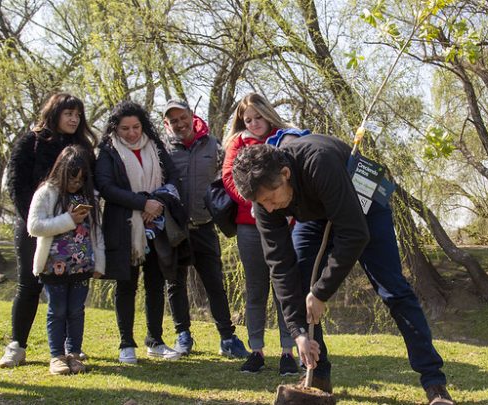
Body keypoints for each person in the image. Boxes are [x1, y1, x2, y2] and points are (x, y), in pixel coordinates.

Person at [231, 135, 455, 405]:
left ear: (285, 173)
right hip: (316, 218)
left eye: (270, 198)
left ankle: (435, 384)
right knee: (301, 278)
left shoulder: (318, 161)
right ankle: (318, 376)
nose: (269, 207)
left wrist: (321, 292)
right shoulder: (264, 201)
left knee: (395, 291)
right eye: (261, 203)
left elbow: (354, 234)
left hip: (364, 209)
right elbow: (279, 266)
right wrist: (298, 331)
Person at [0, 93, 97, 368]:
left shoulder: (84, 147)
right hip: (37, 227)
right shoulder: (31, 142)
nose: (74, 119)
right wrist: (36, 218)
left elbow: (91, 185)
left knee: (70, 293)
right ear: (54, 113)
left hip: (76, 234)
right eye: (68, 113)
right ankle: (17, 345)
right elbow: (16, 182)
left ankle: (69, 350)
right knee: (29, 285)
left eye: (78, 115)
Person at [95, 100, 183, 363]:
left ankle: (154, 340)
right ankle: (126, 344)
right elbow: (106, 188)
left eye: (136, 127)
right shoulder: (108, 151)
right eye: (125, 129)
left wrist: (156, 203)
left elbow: (173, 179)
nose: (132, 133)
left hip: (157, 225)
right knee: (126, 285)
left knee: (155, 284)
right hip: (124, 227)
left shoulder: (156, 147)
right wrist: (142, 203)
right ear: (116, 129)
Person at [161, 99, 250, 358]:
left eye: (182, 117)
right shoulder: (163, 149)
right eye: (173, 120)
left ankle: (227, 337)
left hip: (204, 226)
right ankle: (183, 336)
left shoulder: (214, 145)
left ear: (191, 115)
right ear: (168, 123)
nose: (179, 123)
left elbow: (229, 178)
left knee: (214, 283)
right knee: (175, 284)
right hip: (175, 229)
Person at [222, 93, 299, 375]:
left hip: (284, 223)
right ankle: (256, 350)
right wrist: (257, 201)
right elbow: (230, 179)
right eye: (247, 119)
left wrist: (275, 205)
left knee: (284, 288)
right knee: (255, 289)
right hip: (249, 225)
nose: (254, 123)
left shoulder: (285, 138)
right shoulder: (238, 143)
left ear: (268, 113)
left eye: (258, 117)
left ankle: (288, 351)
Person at [26, 146, 104, 375]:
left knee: (76, 310)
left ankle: (75, 353)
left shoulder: (90, 196)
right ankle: (57, 355)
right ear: (61, 170)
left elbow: (96, 232)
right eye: (72, 178)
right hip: (54, 266)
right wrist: (68, 219)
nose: (76, 183)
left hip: (82, 266)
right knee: (57, 310)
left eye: (81, 179)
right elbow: (34, 226)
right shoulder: (46, 193)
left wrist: (99, 264)